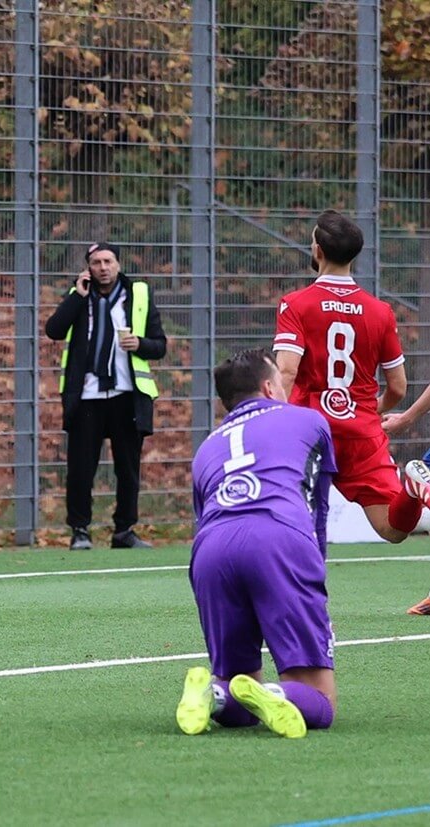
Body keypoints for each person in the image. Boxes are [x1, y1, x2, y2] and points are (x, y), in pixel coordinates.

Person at [271, 209, 430, 613]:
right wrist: (369, 412)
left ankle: (304, 608)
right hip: (362, 433)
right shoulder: (380, 311)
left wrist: (273, 423)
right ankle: (413, 489)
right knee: (393, 529)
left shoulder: (296, 304)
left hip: (310, 433)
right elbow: (398, 387)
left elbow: (287, 371)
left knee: (298, 522)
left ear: (318, 251)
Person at [176, 349, 339, 739]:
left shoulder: (205, 449)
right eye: (282, 385)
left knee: (236, 684)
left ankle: (212, 696)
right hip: (278, 538)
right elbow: (315, 505)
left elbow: (205, 518)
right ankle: (274, 693)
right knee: (319, 698)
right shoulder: (310, 420)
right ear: (269, 388)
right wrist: (313, 568)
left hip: (211, 551)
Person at [45, 242, 167, 550]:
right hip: (87, 395)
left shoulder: (138, 294)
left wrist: (139, 344)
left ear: (118, 264)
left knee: (128, 468)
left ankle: (124, 530)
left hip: (128, 393)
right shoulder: (79, 296)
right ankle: (80, 531)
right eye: (96, 262)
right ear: (88, 267)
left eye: (108, 261)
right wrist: (77, 295)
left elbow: (160, 344)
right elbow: (54, 330)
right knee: (81, 468)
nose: (103, 268)